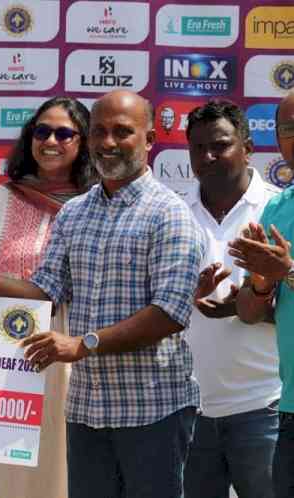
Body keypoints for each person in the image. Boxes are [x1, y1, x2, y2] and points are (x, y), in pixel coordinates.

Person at [0, 90, 204, 498]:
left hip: (153, 409)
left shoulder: (169, 213)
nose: (108, 143)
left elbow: (170, 312)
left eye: (122, 132)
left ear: (149, 140)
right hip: (88, 411)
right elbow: (46, 289)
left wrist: (83, 344)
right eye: (99, 132)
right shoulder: (76, 211)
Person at [0, 96, 92, 498]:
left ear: (83, 142)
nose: (51, 141)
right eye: (42, 131)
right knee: (4, 465)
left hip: (66, 354)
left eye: (64, 133)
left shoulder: (95, 203)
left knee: (61, 461)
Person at [181, 100, 280, 498]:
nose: (207, 157)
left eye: (220, 145)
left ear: (248, 146)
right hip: (187, 410)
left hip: (265, 406)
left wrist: (251, 302)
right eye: (197, 148)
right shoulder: (174, 214)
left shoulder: (280, 208)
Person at [232, 91, 294, 498]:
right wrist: (261, 281)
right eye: (288, 129)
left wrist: (288, 271)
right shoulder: (277, 209)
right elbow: (251, 313)